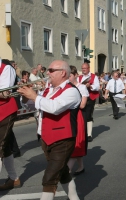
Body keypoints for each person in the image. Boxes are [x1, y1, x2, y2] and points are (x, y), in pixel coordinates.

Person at [18, 60, 80, 200]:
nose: (47, 73)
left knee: (50, 177)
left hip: (63, 139)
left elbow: (54, 108)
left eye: (51, 70)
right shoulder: (48, 89)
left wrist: (34, 95)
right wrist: (24, 93)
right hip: (46, 137)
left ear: (63, 73)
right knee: (62, 171)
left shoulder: (71, 91)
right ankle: (74, 198)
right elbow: (34, 106)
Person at [0, 58, 21, 190]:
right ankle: (14, 179)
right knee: (5, 146)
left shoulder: (6, 68)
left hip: (5, 110)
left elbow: (4, 93)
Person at [67, 65, 88, 176]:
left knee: (77, 141)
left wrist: (69, 101)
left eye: (70, 75)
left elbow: (83, 105)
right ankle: (81, 166)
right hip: (68, 116)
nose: (68, 78)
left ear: (75, 75)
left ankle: (67, 170)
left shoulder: (82, 87)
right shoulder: (66, 87)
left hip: (78, 116)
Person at [78, 63, 99, 142]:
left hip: (90, 98)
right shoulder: (79, 78)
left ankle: (89, 134)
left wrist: (90, 86)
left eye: (85, 68)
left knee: (88, 115)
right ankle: (82, 132)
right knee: (82, 116)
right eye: (82, 68)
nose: (83, 70)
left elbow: (97, 86)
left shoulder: (94, 77)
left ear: (89, 68)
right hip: (81, 98)